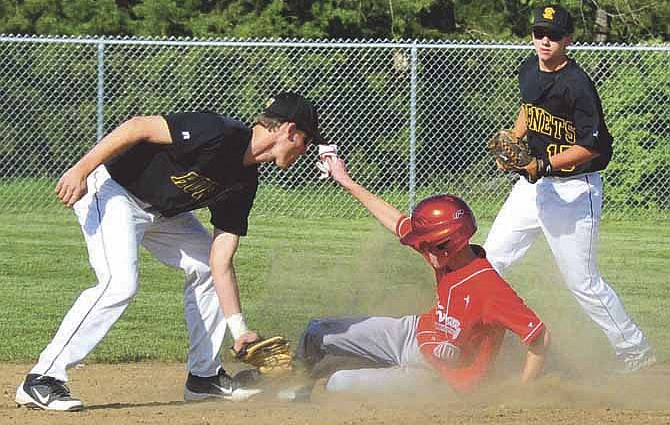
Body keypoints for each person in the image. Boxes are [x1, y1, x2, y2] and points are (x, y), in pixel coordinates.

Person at [15, 92, 326, 411]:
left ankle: (204, 378)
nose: (305, 149)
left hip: (164, 213)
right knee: (118, 283)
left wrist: (240, 331)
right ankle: (41, 378)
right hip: (113, 191)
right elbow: (137, 127)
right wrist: (80, 170)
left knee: (205, 265)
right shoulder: (218, 132)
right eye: (306, 140)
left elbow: (220, 260)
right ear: (290, 130)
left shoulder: (244, 182)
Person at [483, 4, 655, 372]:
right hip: (532, 188)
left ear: (568, 41)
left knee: (582, 282)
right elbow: (529, 108)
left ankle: (635, 351)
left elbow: (593, 145)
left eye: (554, 35)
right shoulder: (529, 69)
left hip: (575, 191)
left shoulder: (577, 84)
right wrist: (514, 140)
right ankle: (484, 338)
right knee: (490, 261)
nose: (545, 40)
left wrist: (543, 164)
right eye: (539, 33)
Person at [288, 156, 550, 396]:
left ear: (452, 242)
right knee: (316, 332)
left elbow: (539, 337)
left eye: (428, 245)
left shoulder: (489, 287)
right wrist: (346, 181)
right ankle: (289, 381)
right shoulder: (443, 255)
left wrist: (521, 393)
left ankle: (309, 395)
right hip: (413, 333)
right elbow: (394, 220)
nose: (422, 250)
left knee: (339, 384)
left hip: (438, 378)